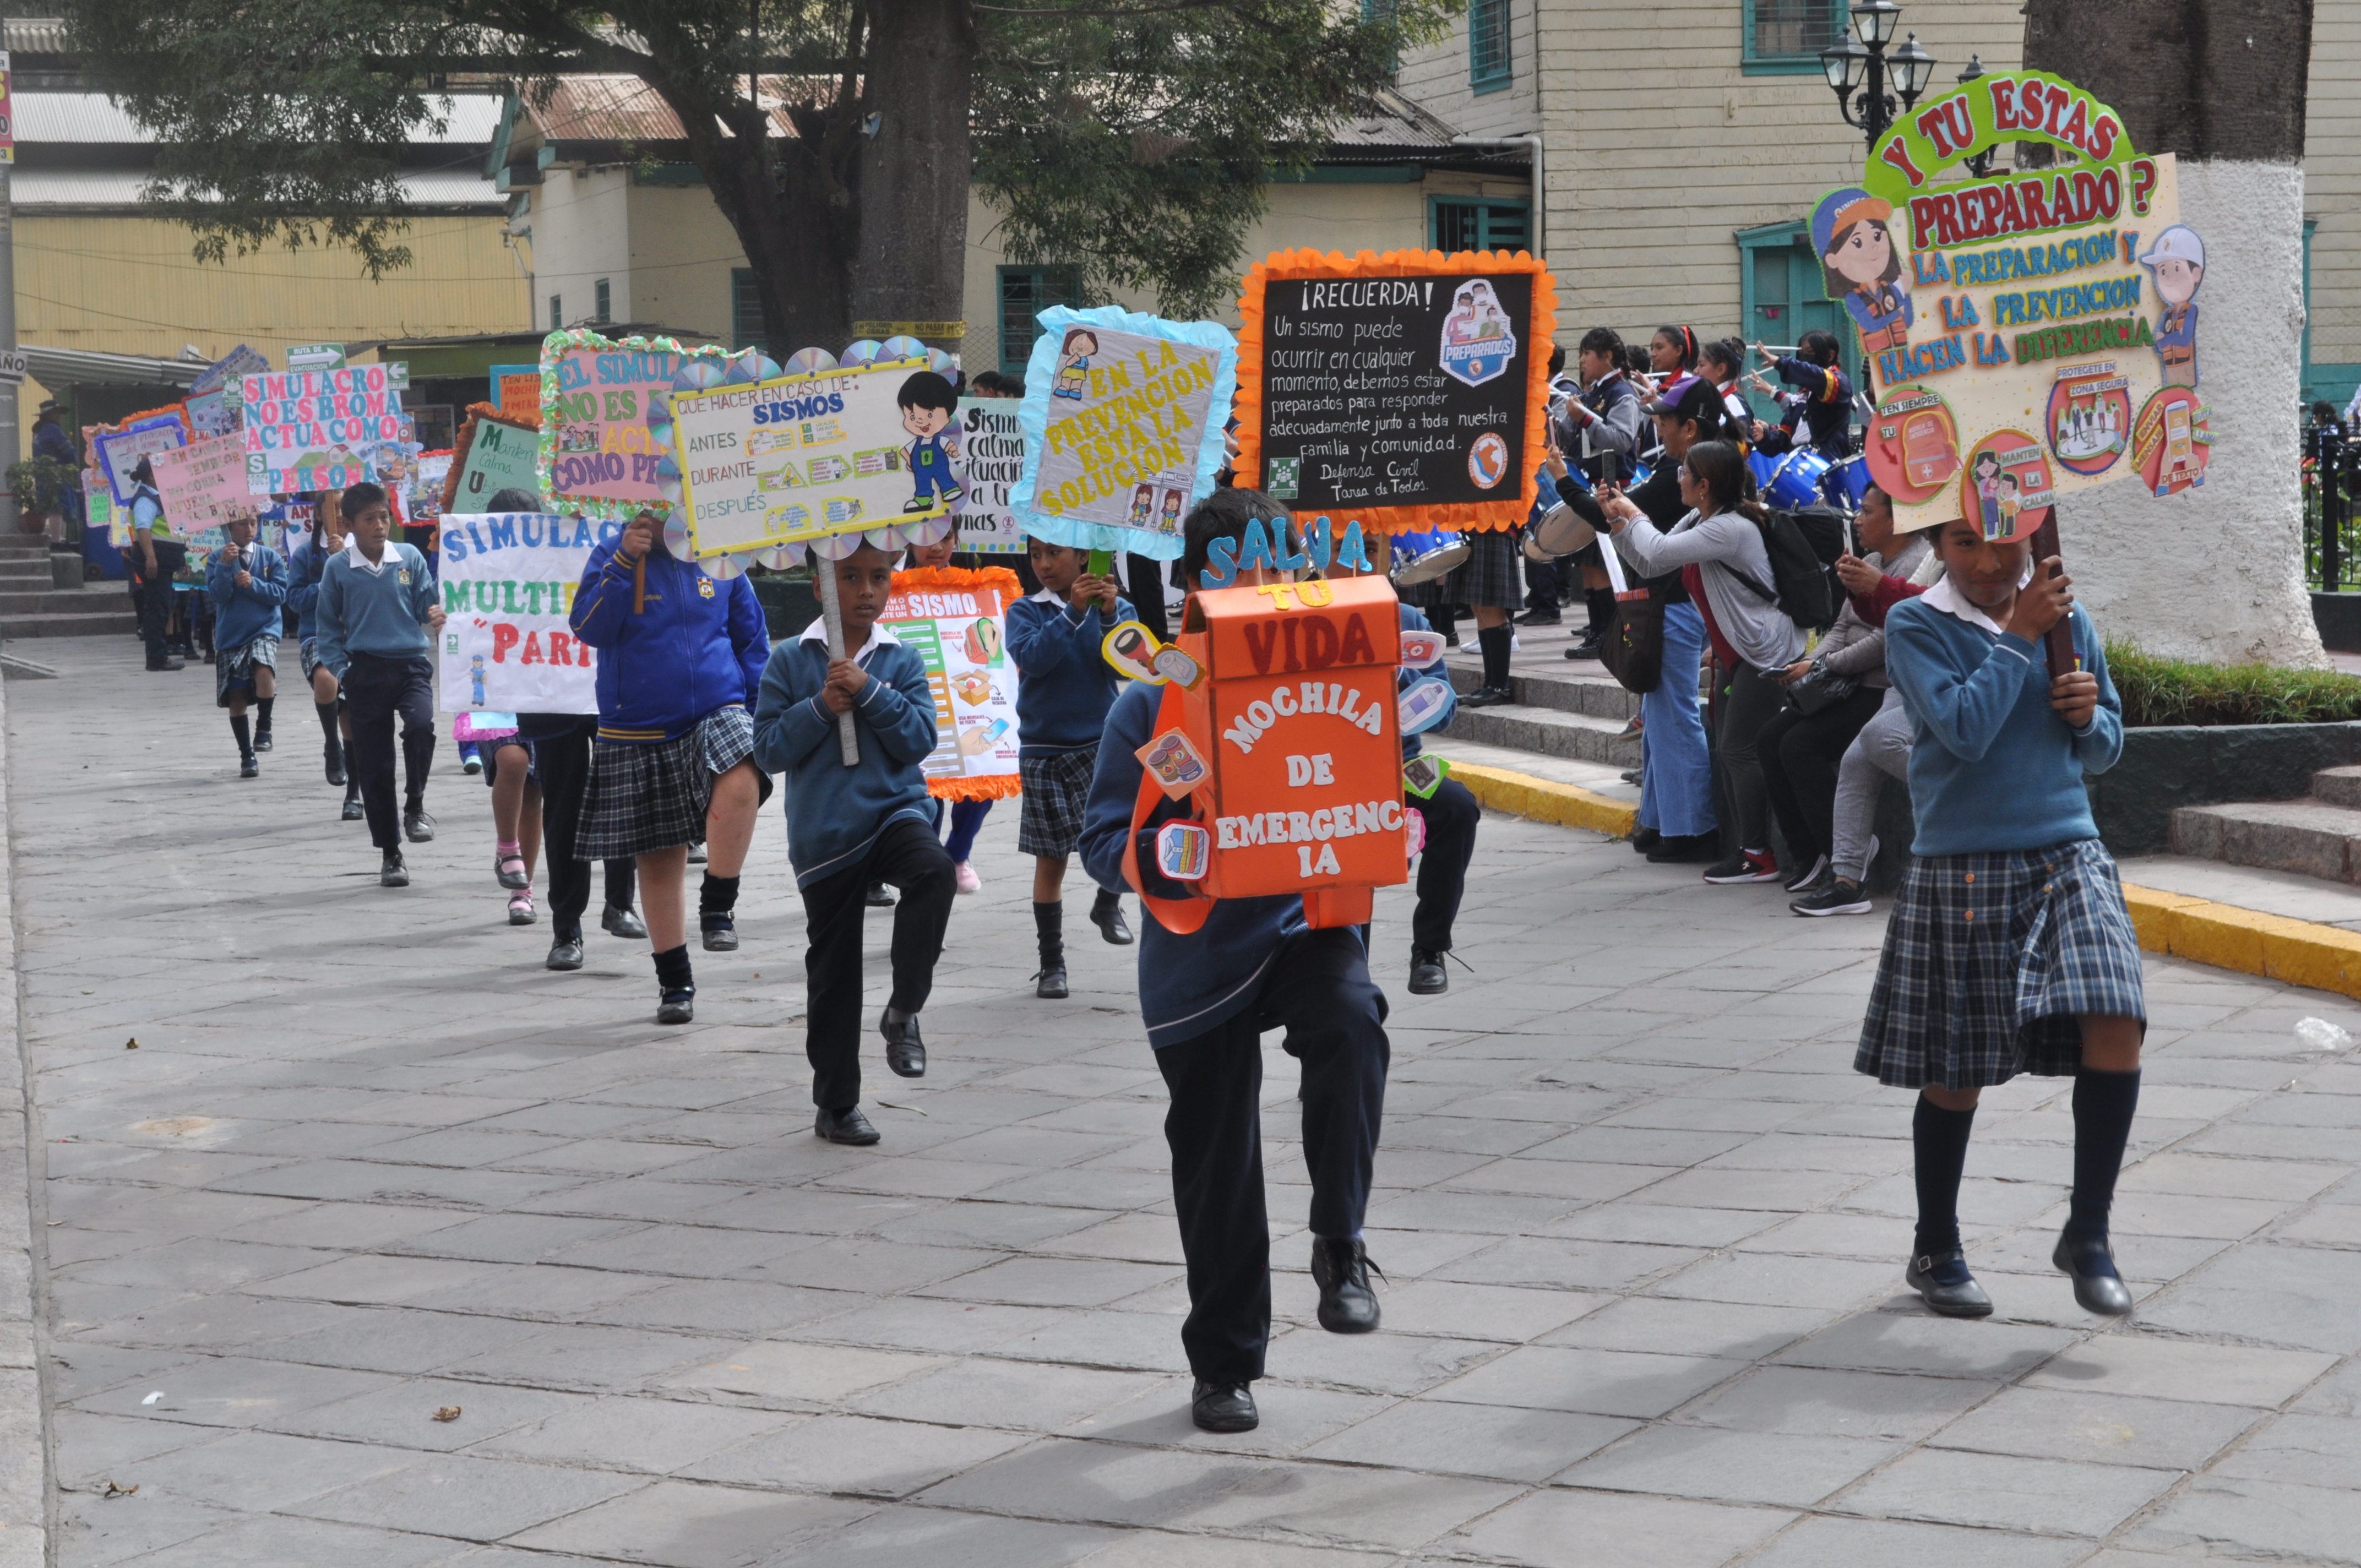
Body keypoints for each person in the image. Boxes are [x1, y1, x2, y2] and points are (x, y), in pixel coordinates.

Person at [1077, 486, 1390, 1436]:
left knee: (1350, 1019)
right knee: (1215, 1161)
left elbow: (1391, 776)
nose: (1262, 591)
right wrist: (1166, 850)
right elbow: (1100, 840)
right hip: (1195, 955)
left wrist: (1412, 782)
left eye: (1275, 571)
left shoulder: (1328, 672)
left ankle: (1339, 1242)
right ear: (1201, 587)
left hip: (1305, 925)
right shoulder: (1152, 701)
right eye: (1239, 578)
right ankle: (1223, 1364)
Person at [1863, 515, 2142, 1321]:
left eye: (2006, 541)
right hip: (1964, 862)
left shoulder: (2068, 615)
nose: (1989, 562)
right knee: (1959, 1074)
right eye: (1964, 542)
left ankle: (2088, 1235)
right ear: (1937, 547)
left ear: (2033, 539)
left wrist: (2090, 715)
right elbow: (1963, 730)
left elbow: (2104, 752)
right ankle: (1936, 1247)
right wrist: (2019, 636)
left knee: (2117, 1015)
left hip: (2068, 850)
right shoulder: (1916, 622)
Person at [752, 542, 954, 1145]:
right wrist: (820, 707)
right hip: (827, 836)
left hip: (895, 813)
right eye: (850, 577)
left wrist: (868, 692)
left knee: (933, 872)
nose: (866, 590)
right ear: (819, 585)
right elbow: (768, 750)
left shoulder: (902, 658)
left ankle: (904, 1011)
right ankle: (837, 1103)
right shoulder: (790, 660)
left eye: (878, 577)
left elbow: (918, 738)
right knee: (834, 973)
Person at [569, 510, 769, 1023]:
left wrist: (753, 706)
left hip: (717, 709)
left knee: (744, 773)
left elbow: (751, 640)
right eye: (651, 504)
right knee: (659, 864)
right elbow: (589, 628)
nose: (662, 514)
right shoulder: (611, 556)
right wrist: (622, 563)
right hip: (636, 725)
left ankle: (719, 902)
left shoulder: (720, 558)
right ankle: (674, 983)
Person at [1598, 432, 1805, 885]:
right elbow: (1653, 565)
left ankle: (1759, 854)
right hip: (1737, 652)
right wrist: (1618, 523)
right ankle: (1748, 849)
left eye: (1685, 473)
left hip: (1765, 653)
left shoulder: (1729, 528)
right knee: (1733, 749)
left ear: (1706, 484)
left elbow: (1657, 549)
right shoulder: (1701, 517)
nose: (1679, 479)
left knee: (1736, 748)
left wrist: (1633, 512)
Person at [1582, 378, 1731, 864]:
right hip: (1670, 608)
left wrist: (1614, 508)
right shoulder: (1685, 482)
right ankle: (1660, 820)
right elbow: (1648, 554)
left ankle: (1694, 830)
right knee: (1660, 721)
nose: (1660, 430)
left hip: (1680, 612)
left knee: (1674, 719)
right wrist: (1623, 517)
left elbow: (1659, 553)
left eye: (1665, 422)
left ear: (1691, 428)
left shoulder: (1690, 488)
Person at [1758, 484, 1928, 896]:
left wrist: (1822, 665)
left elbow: (1887, 639)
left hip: (1876, 687)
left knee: (1801, 746)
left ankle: (1843, 856)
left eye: (1867, 512)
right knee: (1768, 740)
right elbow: (1841, 627)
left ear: (1897, 519)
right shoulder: (1869, 561)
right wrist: (1813, 667)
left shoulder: (1919, 564)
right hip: (1841, 682)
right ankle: (1810, 856)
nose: (1857, 520)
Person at [1792, 513, 1943, 918]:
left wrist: (1879, 587)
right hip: (1908, 682)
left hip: (1943, 681)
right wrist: (1865, 591)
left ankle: (1968, 795)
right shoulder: (1929, 553)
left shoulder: (1965, 561)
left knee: (1878, 737)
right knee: (1856, 762)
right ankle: (1848, 882)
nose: (1858, 519)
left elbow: (1934, 612)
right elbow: (1898, 614)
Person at [1007, 535, 1137, 998]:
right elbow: (1033, 660)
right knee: (1051, 859)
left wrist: (1106, 614)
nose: (1043, 564)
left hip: (1100, 743)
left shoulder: (1117, 608)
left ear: (1084, 555)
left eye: (1054, 553)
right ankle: (1051, 963)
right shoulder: (1025, 611)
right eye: (1035, 555)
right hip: (1042, 748)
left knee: (1121, 831)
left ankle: (1109, 901)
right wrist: (1073, 614)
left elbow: (1122, 668)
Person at [314, 483, 447, 888]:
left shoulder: (408, 557)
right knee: (375, 764)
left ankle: (416, 806)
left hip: (410, 664)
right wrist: (344, 671)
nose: (379, 525)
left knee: (421, 727)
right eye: (369, 519)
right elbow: (327, 628)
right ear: (350, 524)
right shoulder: (337, 568)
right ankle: (391, 853)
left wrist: (438, 611)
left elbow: (428, 598)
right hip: (366, 671)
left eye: (384, 516)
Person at [900, 532, 1018, 894]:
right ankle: (926, 870)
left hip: (974, 708)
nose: (936, 547)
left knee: (986, 774)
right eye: (925, 537)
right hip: (918, 710)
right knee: (926, 793)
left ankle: (958, 854)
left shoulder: (980, 589)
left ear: (957, 540)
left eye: (945, 537)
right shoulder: (891, 589)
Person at [1552, 328, 1645, 661]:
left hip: (1612, 487)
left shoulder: (1623, 393)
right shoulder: (1593, 393)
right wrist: (1556, 421)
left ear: (1606, 357)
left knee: (1601, 565)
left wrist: (1585, 417)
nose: (1582, 361)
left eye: (1588, 354)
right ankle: (1597, 629)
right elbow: (1575, 437)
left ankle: (1608, 632)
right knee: (1588, 567)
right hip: (1590, 483)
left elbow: (1620, 439)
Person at [286, 497, 364, 818]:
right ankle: (331, 744)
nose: (340, 513)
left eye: (347, 506)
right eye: (334, 506)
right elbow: (294, 599)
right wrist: (328, 579)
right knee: (326, 679)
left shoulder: (364, 551)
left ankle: (354, 794)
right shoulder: (306, 554)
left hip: (358, 637)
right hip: (319, 635)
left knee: (353, 718)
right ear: (319, 513)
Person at [205, 514, 288, 778]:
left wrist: (255, 585)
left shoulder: (270, 557)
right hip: (231, 635)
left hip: (264, 629)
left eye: (253, 522)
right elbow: (219, 596)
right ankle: (246, 755)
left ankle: (264, 725)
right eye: (242, 523)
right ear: (229, 527)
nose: (249, 529)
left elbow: (280, 594)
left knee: (264, 668)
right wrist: (224, 566)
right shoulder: (216, 558)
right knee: (236, 696)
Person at [1750, 331, 1855, 461]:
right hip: (1800, 464)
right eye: (1802, 352)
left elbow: (1816, 377)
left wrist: (1782, 363)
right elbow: (1784, 437)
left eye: (1810, 352)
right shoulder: (1801, 397)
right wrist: (1764, 436)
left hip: (1828, 462)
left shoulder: (1839, 383)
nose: (1804, 357)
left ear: (1830, 355)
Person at [126, 463, 188, 672]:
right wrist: (151, 557)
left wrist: (182, 558)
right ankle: (157, 658)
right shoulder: (146, 498)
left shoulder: (158, 497)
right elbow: (143, 528)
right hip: (154, 562)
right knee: (157, 609)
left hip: (163, 562)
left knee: (161, 607)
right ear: (153, 476)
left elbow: (171, 532)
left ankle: (159, 656)